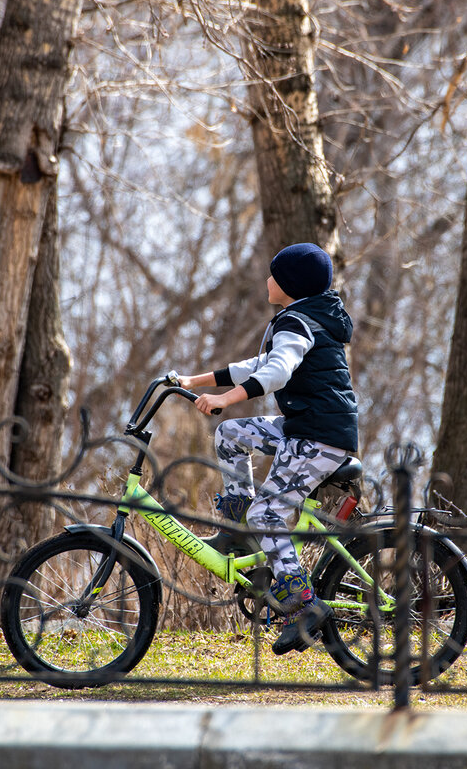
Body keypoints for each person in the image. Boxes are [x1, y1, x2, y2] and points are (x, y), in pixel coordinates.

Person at [176, 242, 358, 655]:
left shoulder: (297, 322)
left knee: (269, 512)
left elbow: (277, 372)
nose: (267, 280)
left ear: (290, 284)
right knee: (230, 436)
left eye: (273, 274)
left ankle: (304, 606)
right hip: (304, 428)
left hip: (318, 437)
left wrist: (227, 398)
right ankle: (244, 534)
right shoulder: (305, 317)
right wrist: (194, 381)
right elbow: (257, 365)